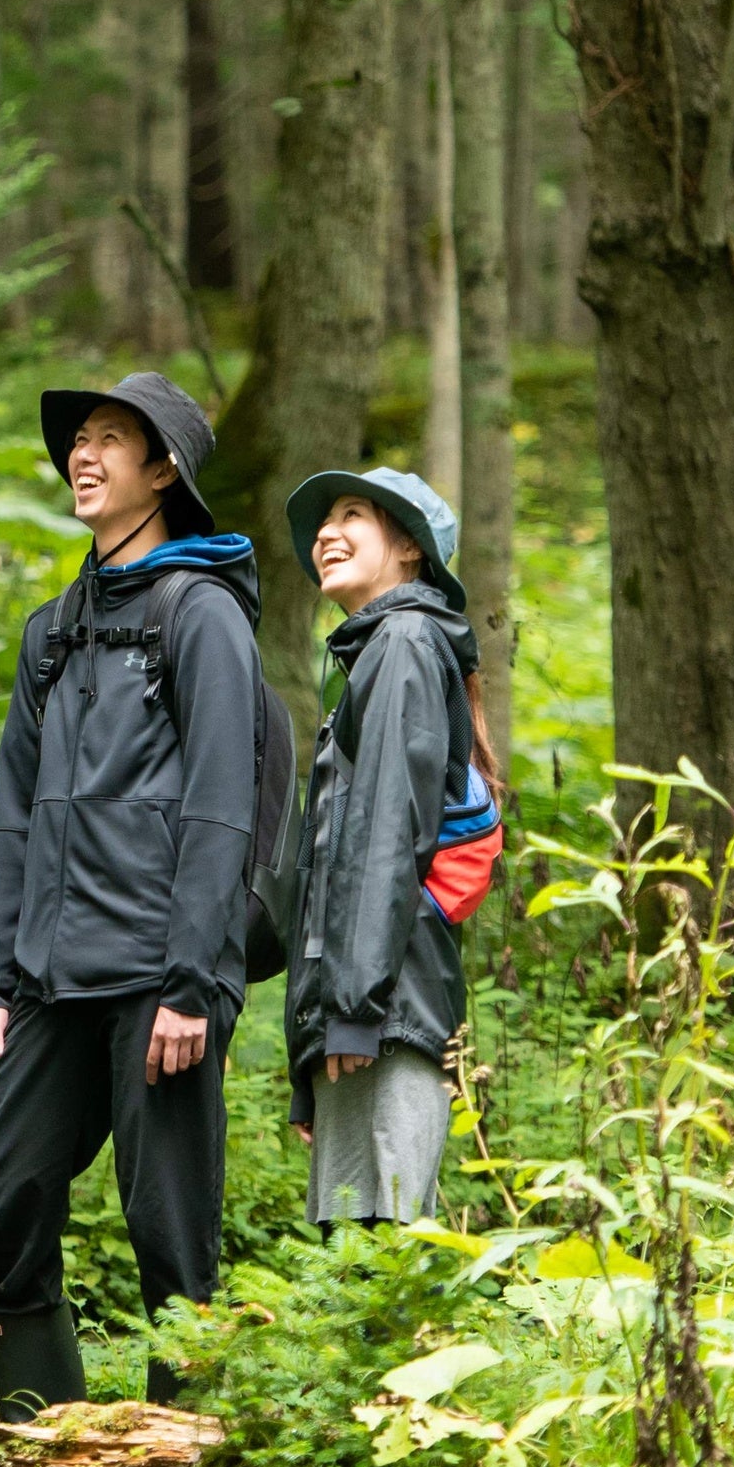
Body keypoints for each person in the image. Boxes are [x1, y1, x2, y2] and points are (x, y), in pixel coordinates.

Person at [0, 372, 283, 1420]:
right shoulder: (51, 630)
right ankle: (41, 1449)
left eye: (112, 440)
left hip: (160, 978)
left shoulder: (203, 614)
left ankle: (185, 1464)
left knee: (167, 1225)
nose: (84, 456)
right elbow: (15, 815)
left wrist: (195, 981)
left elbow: (223, 806)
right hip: (51, 978)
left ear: (164, 469)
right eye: (78, 440)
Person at [278, 466, 506, 1229]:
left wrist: (348, 1013)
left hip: (385, 1009)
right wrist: (314, 1048)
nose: (325, 534)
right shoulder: (381, 651)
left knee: (391, 1249)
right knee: (358, 1249)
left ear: (409, 548)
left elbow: (383, 837)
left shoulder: (404, 642)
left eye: (352, 516)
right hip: (372, 1007)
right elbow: (334, 874)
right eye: (323, 520)